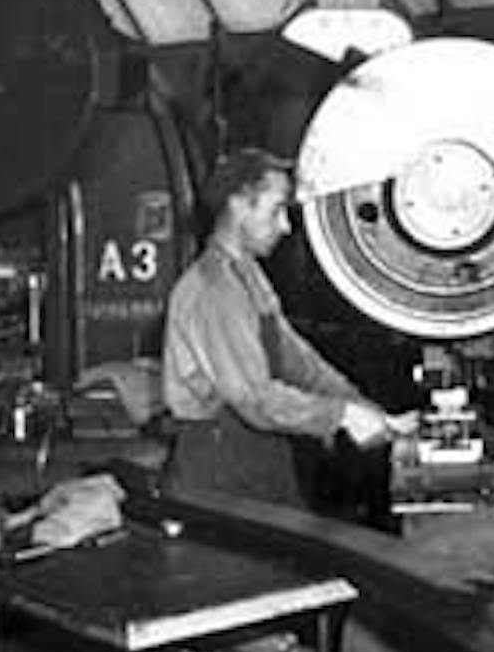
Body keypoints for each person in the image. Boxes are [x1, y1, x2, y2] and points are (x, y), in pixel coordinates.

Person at [161, 147, 411, 504]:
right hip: (219, 466)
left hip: (258, 453)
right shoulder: (213, 289)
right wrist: (340, 416)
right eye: (276, 209)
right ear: (238, 205)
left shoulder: (247, 274)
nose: (285, 226)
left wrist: (365, 409)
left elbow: (298, 361)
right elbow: (254, 399)